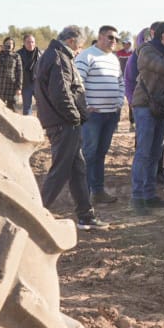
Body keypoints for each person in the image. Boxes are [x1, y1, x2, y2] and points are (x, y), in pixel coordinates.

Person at [34, 25, 104, 230]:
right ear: (72, 41)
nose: (79, 50)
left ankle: (86, 215)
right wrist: (75, 117)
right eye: (79, 45)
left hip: (64, 122)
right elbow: (61, 93)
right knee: (60, 170)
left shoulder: (56, 55)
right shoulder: (58, 57)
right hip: (63, 123)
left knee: (77, 169)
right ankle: (33, 213)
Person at [129, 22, 164, 214]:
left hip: (162, 106)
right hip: (145, 105)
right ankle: (137, 198)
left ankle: (149, 195)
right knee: (144, 152)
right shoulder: (146, 51)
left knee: (156, 152)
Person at [74, 25, 125, 205]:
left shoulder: (113, 59)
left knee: (101, 153)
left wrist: (119, 103)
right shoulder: (86, 56)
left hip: (111, 114)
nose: (114, 42)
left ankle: (98, 191)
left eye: (116, 39)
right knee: (89, 153)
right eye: (110, 37)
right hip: (93, 117)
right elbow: (76, 84)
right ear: (100, 37)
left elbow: (120, 82)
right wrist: (85, 106)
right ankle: (84, 196)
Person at [0, 36, 21, 110]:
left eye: (11, 44)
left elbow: (20, 72)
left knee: (12, 107)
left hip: (11, 85)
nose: (9, 45)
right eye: (7, 43)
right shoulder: (0, 54)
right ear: (4, 44)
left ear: (13, 46)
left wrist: (19, 87)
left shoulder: (16, 56)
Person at [17, 34, 41, 116]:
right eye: (28, 42)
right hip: (25, 84)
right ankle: (28, 126)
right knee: (27, 107)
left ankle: (40, 125)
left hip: (38, 84)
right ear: (24, 43)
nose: (31, 44)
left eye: (32, 42)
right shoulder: (18, 54)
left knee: (42, 106)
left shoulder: (41, 54)